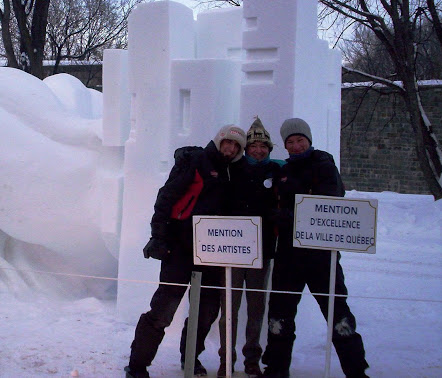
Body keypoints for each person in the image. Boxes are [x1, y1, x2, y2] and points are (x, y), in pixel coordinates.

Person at [125, 125, 248, 378]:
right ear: (219, 141)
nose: (231, 148)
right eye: (228, 142)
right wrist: (158, 236)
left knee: (206, 313)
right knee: (163, 309)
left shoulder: (237, 172)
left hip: (213, 252)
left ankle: (190, 357)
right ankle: (137, 364)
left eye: (237, 146)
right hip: (180, 247)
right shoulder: (196, 161)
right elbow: (166, 197)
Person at [261, 118, 369, 378]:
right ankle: (276, 369)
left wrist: (288, 215)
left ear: (309, 140)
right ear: (285, 146)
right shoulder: (283, 170)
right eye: (290, 142)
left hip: (322, 255)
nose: (296, 146)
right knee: (280, 314)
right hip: (289, 255)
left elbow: (328, 204)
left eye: (300, 140)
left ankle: (356, 371)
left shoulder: (324, 165)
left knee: (337, 314)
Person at [216, 117, 283, 378]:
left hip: (261, 250)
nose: (258, 150)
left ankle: (252, 358)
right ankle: (226, 359)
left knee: (256, 307)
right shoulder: (233, 169)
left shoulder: (276, 172)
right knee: (228, 310)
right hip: (232, 250)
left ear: (269, 148)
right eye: (253, 146)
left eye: (263, 146)